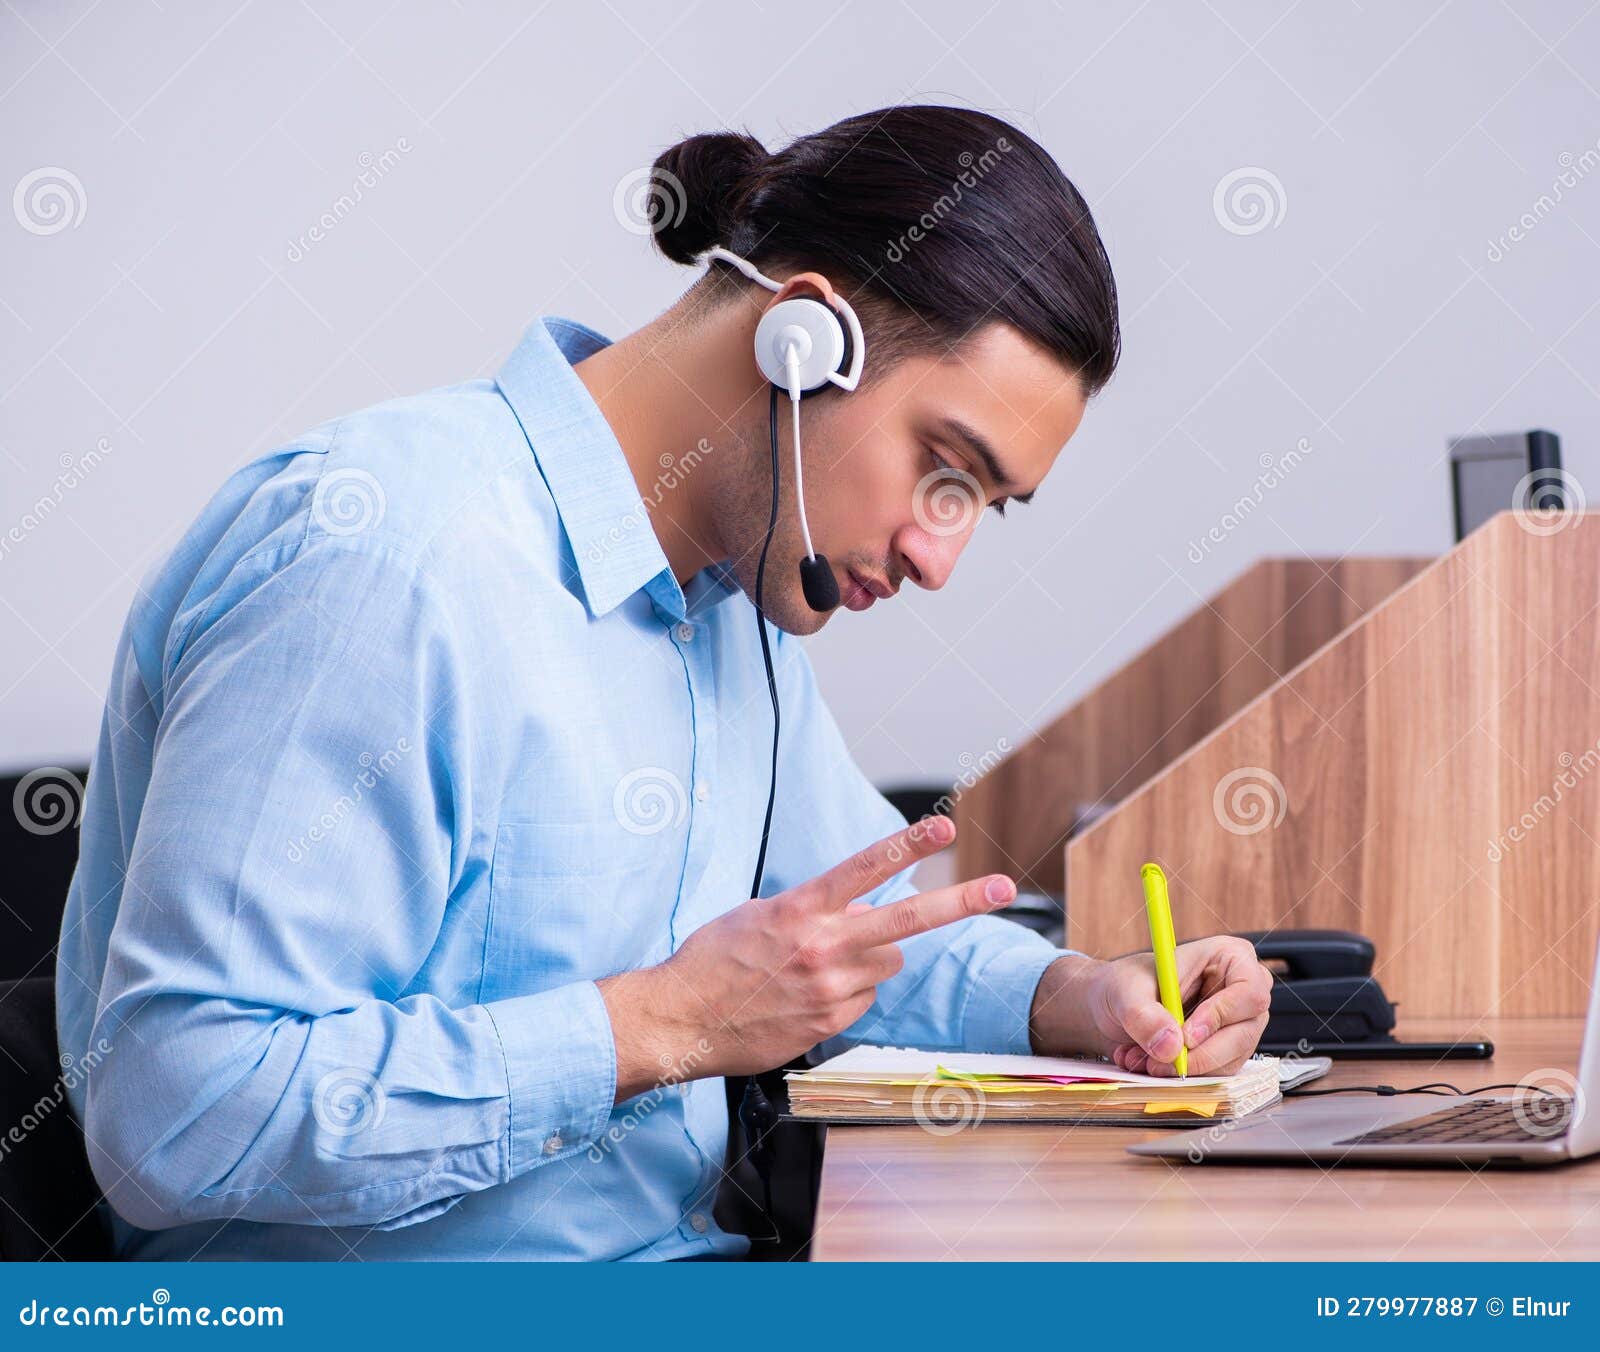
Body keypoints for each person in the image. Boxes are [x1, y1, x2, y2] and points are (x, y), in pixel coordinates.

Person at [57, 105, 1271, 1261]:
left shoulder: (731, 613)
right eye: (943, 470)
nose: (937, 557)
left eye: (981, 509)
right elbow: (177, 1115)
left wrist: (1085, 996)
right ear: (803, 339)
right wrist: (663, 1023)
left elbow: (843, 940)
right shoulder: (385, 562)